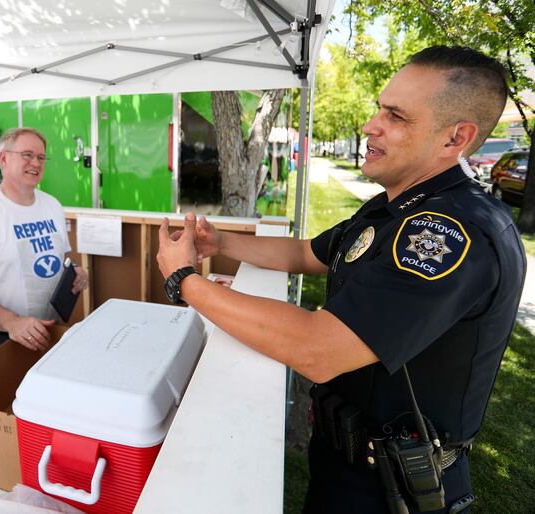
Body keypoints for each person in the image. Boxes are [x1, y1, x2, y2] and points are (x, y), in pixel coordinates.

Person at [157, 46, 525, 513]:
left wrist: (185, 280)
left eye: (396, 116)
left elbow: (318, 350)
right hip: (350, 463)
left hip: (394, 490)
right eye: (378, 108)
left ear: (455, 139)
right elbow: (305, 253)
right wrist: (220, 245)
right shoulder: (395, 205)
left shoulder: (450, 232)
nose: (371, 125)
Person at [0, 127, 88, 356]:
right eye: (27, 155)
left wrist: (76, 272)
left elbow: (62, 259)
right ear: (3, 158)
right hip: (1, 336)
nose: (36, 163)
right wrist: (11, 322)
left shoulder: (53, 206)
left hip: (50, 330)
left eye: (41, 157)